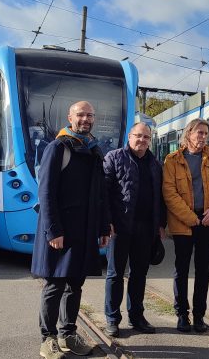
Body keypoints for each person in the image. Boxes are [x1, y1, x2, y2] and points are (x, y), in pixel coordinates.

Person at [32, 101, 111, 359]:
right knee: (54, 285)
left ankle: (68, 334)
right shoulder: (58, 147)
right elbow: (46, 193)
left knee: (75, 285)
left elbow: (99, 195)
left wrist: (102, 227)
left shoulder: (93, 149)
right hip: (61, 231)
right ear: (70, 117)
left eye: (90, 114)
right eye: (80, 114)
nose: (85, 119)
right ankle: (48, 339)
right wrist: (53, 230)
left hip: (85, 231)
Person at [163, 118, 209, 333]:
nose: (202, 137)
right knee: (181, 270)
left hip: (208, 222)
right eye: (199, 132)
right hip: (184, 223)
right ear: (189, 133)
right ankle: (182, 314)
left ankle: (199, 315)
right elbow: (169, 193)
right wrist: (191, 217)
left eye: (206, 133)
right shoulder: (172, 160)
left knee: (203, 271)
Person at [103, 122, 166, 337]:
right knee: (115, 274)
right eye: (138, 136)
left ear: (150, 140)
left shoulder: (155, 164)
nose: (142, 140)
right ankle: (112, 319)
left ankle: (137, 316)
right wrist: (107, 221)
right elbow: (105, 192)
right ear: (129, 136)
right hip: (119, 228)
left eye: (146, 137)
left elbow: (160, 197)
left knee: (140, 274)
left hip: (146, 228)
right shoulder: (114, 157)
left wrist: (160, 225)